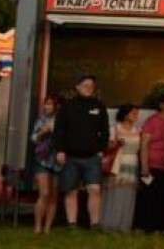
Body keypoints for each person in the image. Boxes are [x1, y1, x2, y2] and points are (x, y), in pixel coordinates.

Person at [53, 72, 110, 231]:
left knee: (95, 189)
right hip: (70, 156)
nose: (89, 88)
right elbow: (59, 131)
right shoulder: (67, 107)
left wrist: (101, 149)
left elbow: (104, 131)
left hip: (92, 157)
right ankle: (72, 224)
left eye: (91, 86)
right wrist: (60, 150)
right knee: (71, 191)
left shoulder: (99, 106)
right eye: (86, 85)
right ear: (77, 87)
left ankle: (95, 224)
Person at [135, 93, 164, 234]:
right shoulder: (152, 121)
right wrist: (144, 165)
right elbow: (144, 144)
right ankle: (146, 226)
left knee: (163, 198)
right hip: (152, 165)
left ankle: (161, 226)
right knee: (149, 197)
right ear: (161, 104)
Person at [101, 104, 140, 232]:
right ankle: (110, 224)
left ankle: (125, 224)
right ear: (125, 114)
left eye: (136, 113)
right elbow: (106, 147)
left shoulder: (138, 130)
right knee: (115, 193)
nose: (136, 116)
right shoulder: (115, 129)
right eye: (133, 113)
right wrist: (117, 143)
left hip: (132, 164)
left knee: (128, 194)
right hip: (117, 164)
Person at [31, 95, 61, 235]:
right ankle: (37, 226)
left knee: (53, 196)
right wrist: (42, 132)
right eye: (46, 104)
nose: (47, 106)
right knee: (44, 192)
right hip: (42, 160)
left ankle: (47, 228)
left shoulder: (62, 121)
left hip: (57, 161)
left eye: (50, 104)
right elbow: (34, 138)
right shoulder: (41, 120)